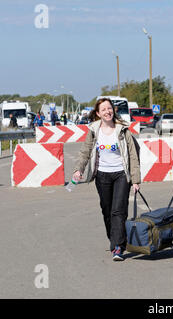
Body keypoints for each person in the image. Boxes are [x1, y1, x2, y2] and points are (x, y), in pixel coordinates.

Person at [72, 98, 141, 261]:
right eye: (103, 109)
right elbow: (85, 151)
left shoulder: (123, 130)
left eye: (109, 108)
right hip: (102, 175)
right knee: (107, 209)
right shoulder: (94, 130)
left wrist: (136, 179)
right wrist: (78, 170)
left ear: (113, 110)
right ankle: (114, 238)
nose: (107, 112)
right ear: (98, 113)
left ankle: (118, 246)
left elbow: (132, 154)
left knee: (118, 210)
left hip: (121, 174)